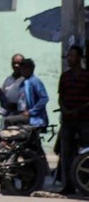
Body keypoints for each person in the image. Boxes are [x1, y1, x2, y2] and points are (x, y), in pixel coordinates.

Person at [57, 45, 89, 195]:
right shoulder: (65, 76)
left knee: (86, 153)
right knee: (66, 153)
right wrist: (65, 109)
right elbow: (60, 97)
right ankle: (68, 185)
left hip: (84, 119)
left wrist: (78, 110)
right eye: (68, 56)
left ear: (79, 58)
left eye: (72, 56)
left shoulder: (86, 76)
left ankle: (84, 182)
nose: (69, 58)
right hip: (67, 120)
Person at [13, 58, 49, 128]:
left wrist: (31, 112)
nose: (22, 71)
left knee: (9, 121)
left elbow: (44, 98)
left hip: (35, 118)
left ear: (30, 69)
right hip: (23, 115)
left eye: (24, 69)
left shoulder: (35, 81)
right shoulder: (22, 83)